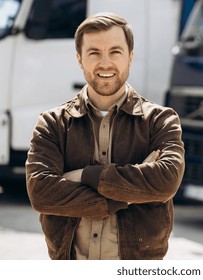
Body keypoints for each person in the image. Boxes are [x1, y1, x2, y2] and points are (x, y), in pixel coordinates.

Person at [25, 12, 185, 260]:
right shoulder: (52, 124)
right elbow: (41, 192)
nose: (105, 63)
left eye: (115, 52)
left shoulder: (160, 120)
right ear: (80, 59)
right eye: (94, 53)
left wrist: (84, 176)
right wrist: (126, 197)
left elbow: (166, 181)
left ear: (130, 57)